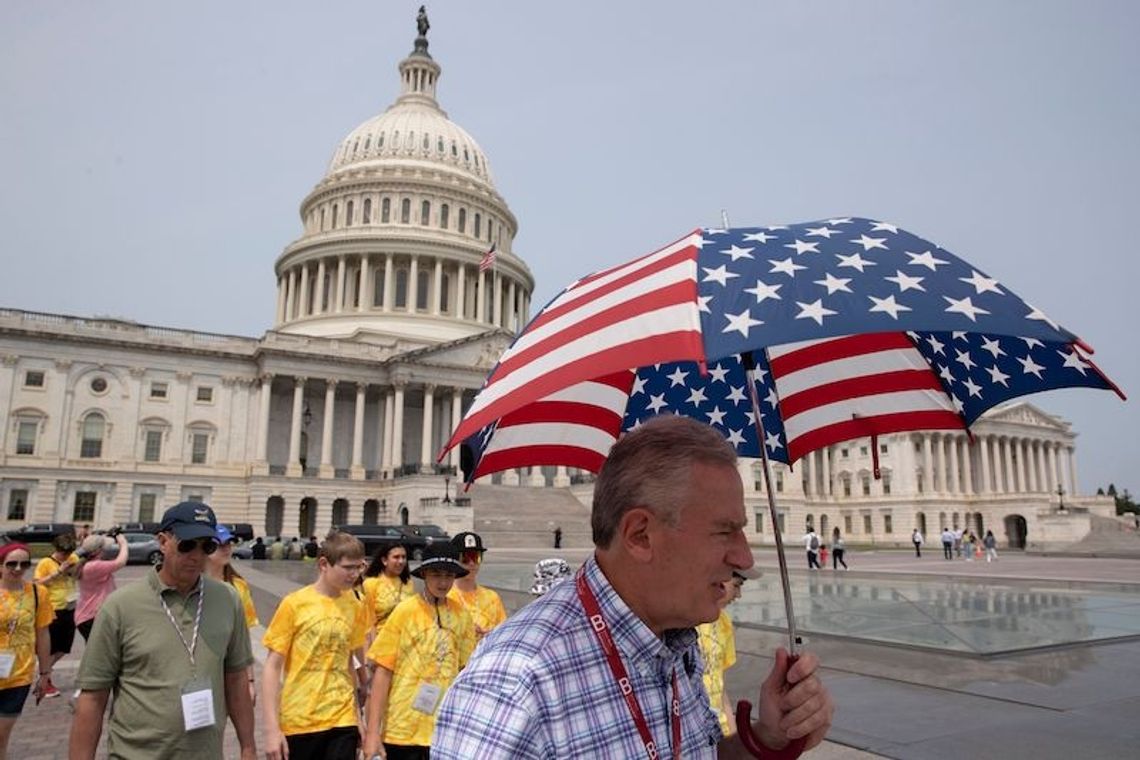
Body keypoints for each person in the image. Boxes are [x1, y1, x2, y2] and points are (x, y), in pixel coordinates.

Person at [432, 416, 833, 758]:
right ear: (640, 535)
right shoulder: (514, 686)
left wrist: (767, 737)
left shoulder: (674, 642)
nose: (745, 558)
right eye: (725, 531)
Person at [69, 502, 256, 759]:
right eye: (187, 544)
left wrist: (248, 746)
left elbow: (236, 679)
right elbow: (92, 697)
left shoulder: (228, 599)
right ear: (163, 541)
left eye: (207, 546)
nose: (197, 555)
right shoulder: (121, 606)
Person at [362, 543, 476, 760]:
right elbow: (383, 672)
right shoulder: (405, 611)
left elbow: (464, 671)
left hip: (443, 727)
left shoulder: (462, 615)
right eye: (436, 574)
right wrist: (372, 733)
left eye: (448, 575)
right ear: (424, 574)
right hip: (403, 727)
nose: (443, 582)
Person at [262, 531, 369, 760]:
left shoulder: (355, 604)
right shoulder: (294, 604)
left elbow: (348, 661)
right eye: (348, 568)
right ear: (324, 564)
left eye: (358, 567)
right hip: (301, 720)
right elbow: (272, 667)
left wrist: (358, 718)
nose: (354, 574)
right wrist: (271, 729)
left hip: (342, 718)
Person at [0, 543, 53, 758]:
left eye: (25, 564)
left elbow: (43, 634)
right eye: (12, 563)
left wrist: (45, 674)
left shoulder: (37, 593)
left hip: (18, 676)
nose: (18, 568)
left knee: (1, 739)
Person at [697, 569, 755, 736]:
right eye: (736, 586)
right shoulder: (685, 624)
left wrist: (731, 731)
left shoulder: (724, 623)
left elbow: (720, 686)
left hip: (718, 729)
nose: (739, 595)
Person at [206, 526, 259, 706]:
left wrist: (250, 680)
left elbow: (244, 639)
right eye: (220, 544)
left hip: (231, 668)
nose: (226, 548)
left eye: (229, 543)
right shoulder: (192, 584)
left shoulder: (239, 587)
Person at [33, 532, 79, 695]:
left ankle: (45, 671)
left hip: (69, 606)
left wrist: (74, 570)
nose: (66, 556)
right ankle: (46, 678)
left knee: (65, 646)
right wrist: (58, 571)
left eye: (69, 553)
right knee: (50, 647)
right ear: (57, 549)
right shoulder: (46, 562)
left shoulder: (73, 559)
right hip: (52, 608)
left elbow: (77, 576)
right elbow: (37, 583)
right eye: (63, 553)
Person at [447, 532, 506, 643]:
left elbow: (504, 633)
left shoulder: (492, 597)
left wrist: (490, 634)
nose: (471, 563)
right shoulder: (445, 597)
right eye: (465, 558)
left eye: (476, 557)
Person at [74, 532, 129, 641]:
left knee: (98, 653)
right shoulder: (94, 566)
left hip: (88, 616)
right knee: (102, 655)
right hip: (93, 617)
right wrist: (123, 544)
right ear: (98, 551)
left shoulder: (86, 564)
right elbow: (121, 562)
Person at [363, 544, 415, 635]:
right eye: (396, 557)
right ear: (384, 560)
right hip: (382, 639)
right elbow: (369, 622)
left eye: (404, 557)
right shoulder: (371, 584)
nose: (401, 561)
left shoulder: (408, 583)